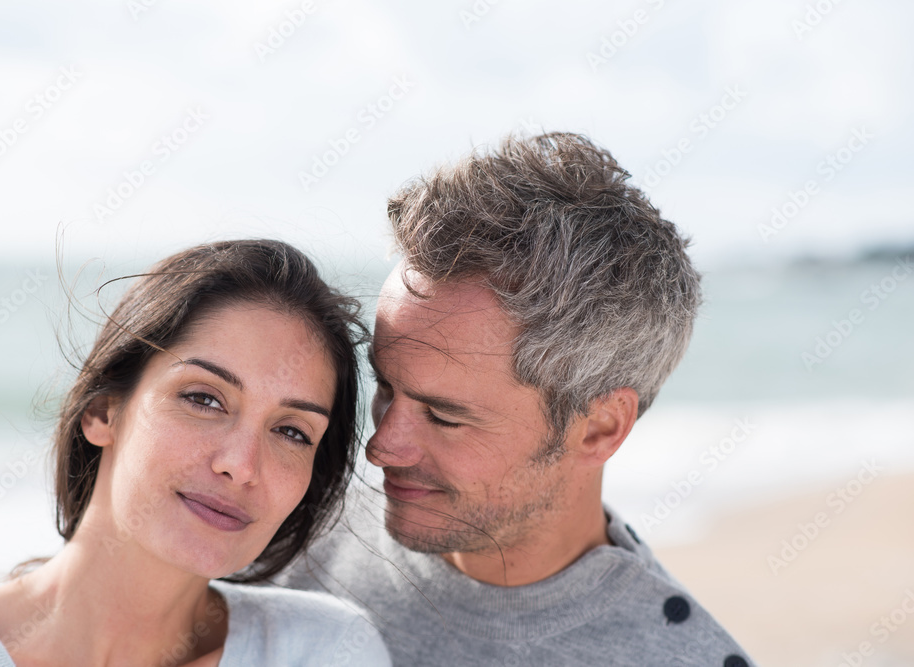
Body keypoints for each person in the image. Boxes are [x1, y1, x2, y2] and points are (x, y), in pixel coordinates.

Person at [276, 133, 756, 666]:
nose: (381, 447)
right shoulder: (281, 532)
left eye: (443, 416)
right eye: (386, 388)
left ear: (599, 427)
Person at [0, 240, 391, 666]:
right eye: (204, 399)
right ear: (102, 412)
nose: (242, 465)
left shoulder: (324, 650)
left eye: (291, 432)